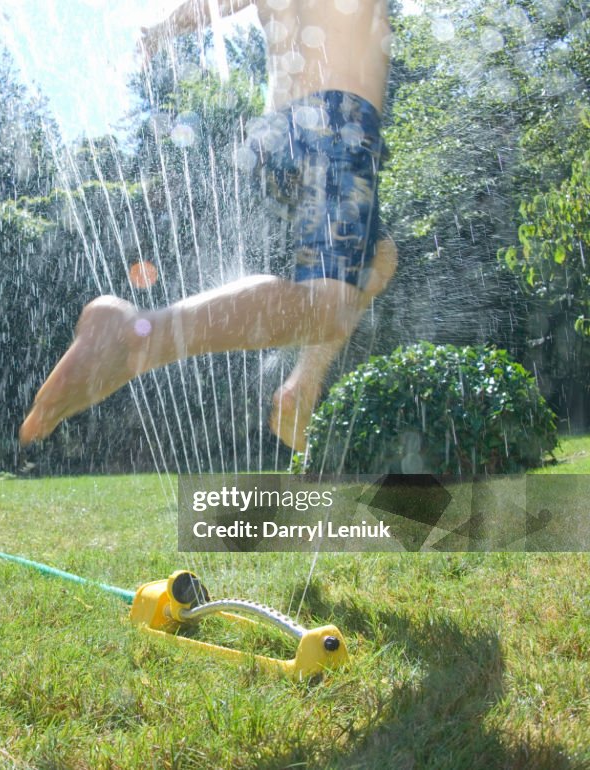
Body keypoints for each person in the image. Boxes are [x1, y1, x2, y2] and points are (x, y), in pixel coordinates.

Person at [20, 0, 398, 452]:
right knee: (328, 305)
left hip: (280, 132)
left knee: (378, 258)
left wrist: (162, 29)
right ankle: (141, 335)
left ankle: (302, 387)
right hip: (341, 122)